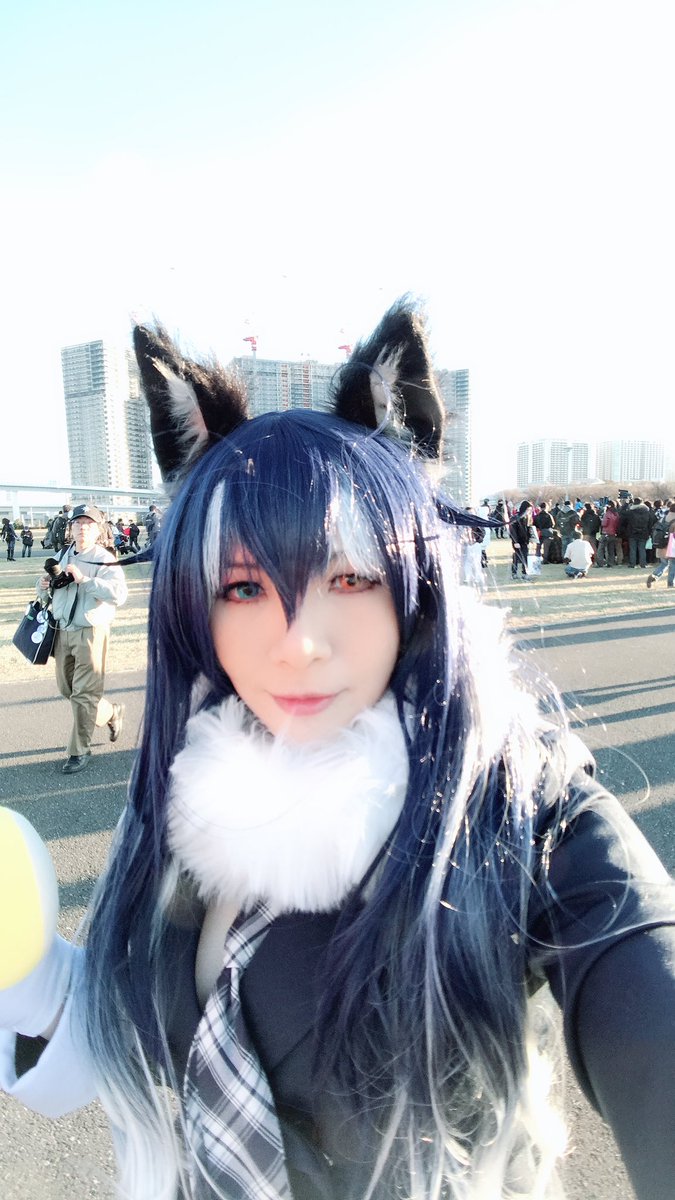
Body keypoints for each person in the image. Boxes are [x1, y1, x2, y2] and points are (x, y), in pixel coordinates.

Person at [1, 301, 674, 1200]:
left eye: (351, 576)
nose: (298, 644)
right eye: (244, 587)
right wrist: (37, 980)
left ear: (414, 580)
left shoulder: (510, 797)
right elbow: (138, 1043)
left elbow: (642, 978)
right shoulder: (187, 780)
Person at [36, 503, 128, 774]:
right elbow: (49, 593)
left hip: (91, 631)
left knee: (84, 694)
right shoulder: (62, 554)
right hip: (62, 630)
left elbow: (119, 595)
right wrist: (43, 586)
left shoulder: (104, 558)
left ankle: (79, 750)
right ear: (71, 528)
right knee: (67, 689)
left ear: (98, 529)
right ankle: (110, 712)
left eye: (88, 524)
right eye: (77, 523)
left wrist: (85, 580)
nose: (82, 528)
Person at [646, 501, 675, 589]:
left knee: (664, 564)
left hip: (661, 544)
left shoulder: (663, 518)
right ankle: (670, 583)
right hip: (672, 545)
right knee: (673, 565)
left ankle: (654, 576)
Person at [595, 499, 621, 567]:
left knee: (601, 549)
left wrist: (601, 520)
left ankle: (600, 563)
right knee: (611, 549)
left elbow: (604, 524)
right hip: (613, 533)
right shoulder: (616, 514)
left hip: (606, 533)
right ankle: (610, 563)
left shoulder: (607, 513)